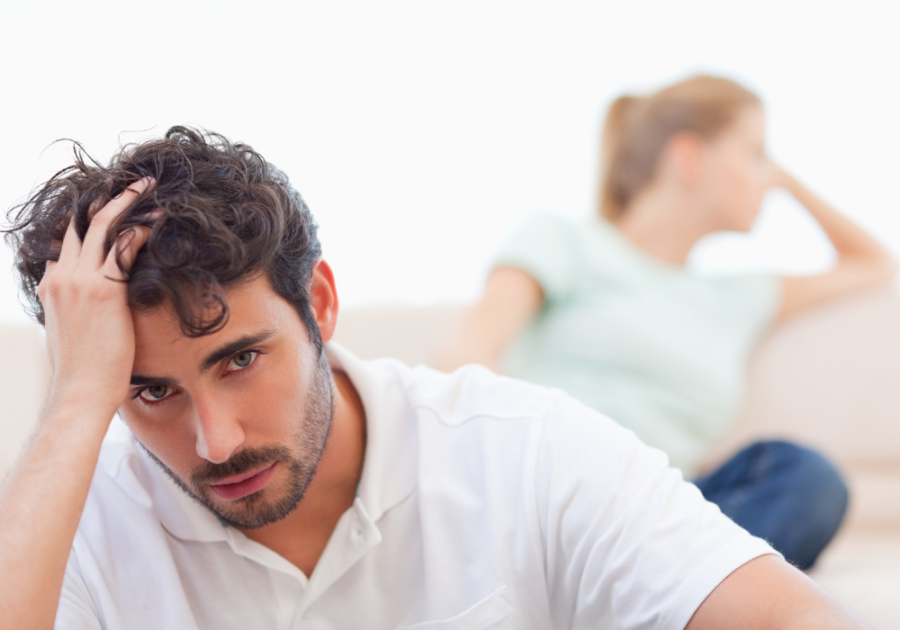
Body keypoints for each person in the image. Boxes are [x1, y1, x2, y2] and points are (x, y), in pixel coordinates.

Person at [0, 127, 875, 629]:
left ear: (320, 303)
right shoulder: (79, 518)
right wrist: (79, 402)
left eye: (240, 359)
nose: (215, 442)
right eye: (152, 391)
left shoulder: (519, 447)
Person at [431, 75, 898, 571]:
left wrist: (785, 179)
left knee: (807, 477)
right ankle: (656, 596)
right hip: (554, 495)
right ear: (689, 158)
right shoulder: (566, 241)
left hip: (665, 517)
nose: (766, 178)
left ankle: (646, 594)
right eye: (756, 154)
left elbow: (874, 263)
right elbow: (466, 353)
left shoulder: (738, 296)